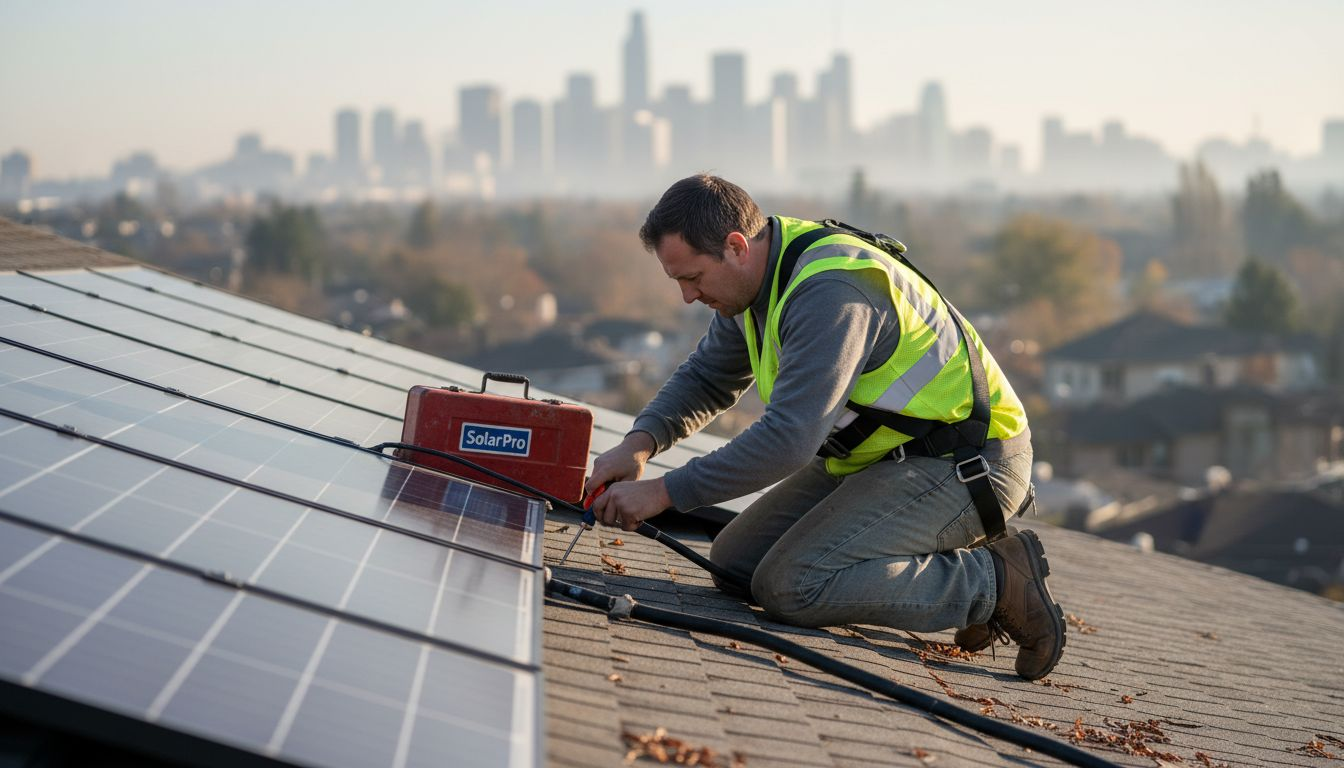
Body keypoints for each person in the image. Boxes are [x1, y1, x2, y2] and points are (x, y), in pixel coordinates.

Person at [585, 174, 1065, 680]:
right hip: (884, 458)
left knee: (792, 586)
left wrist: (664, 491)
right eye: (679, 281)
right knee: (735, 564)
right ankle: (948, 555)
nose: (687, 296)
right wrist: (640, 444)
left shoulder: (829, 293)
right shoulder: (755, 282)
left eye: (694, 278)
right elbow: (709, 376)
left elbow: (788, 441)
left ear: (735, 246)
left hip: (967, 462)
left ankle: (992, 582)